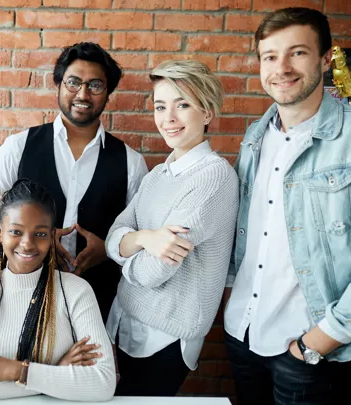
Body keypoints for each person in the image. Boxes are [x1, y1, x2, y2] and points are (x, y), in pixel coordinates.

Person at [223, 7, 351, 405]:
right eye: (270, 56)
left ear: (325, 58)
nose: (282, 67)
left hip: (312, 349)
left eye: (297, 53)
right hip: (243, 334)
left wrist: (319, 341)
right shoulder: (254, 137)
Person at [105, 60, 239, 396]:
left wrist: (127, 249)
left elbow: (151, 273)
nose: (169, 118)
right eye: (161, 106)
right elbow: (113, 235)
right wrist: (145, 238)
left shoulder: (214, 177)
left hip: (164, 334)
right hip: (127, 323)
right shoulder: (158, 175)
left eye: (183, 105)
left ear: (208, 112)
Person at [0, 42, 148, 323]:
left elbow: (140, 233)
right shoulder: (17, 147)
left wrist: (110, 249)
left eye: (96, 85)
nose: (83, 94)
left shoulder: (131, 162)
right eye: (73, 82)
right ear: (59, 84)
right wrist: (29, 241)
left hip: (96, 303)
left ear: (108, 93)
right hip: (21, 297)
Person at [0, 179, 116, 401]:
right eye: (16, 232)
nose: (27, 244)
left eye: (40, 234)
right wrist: (56, 374)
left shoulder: (76, 291)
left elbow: (103, 382)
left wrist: (17, 371)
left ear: (53, 237)